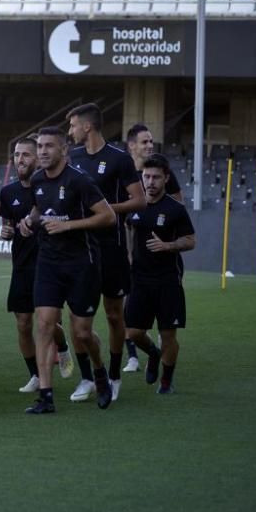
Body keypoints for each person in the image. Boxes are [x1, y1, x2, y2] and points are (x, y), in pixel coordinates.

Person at [21, 127, 116, 414]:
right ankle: (46, 397)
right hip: (49, 262)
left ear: (64, 150)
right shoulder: (37, 180)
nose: (43, 152)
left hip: (81, 263)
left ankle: (100, 373)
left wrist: (68, 225)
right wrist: (29, 220)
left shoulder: (80, 181)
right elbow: (39, 210)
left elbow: (108, 216)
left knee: (83, 332)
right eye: (40, 146)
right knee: (44, 324)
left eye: (49, 146)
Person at [68, 103, 146, 403]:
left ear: (88, 126)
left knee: (114, 315)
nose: (71, 131)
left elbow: (139, 201)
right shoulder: (72, 158)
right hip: (79, 250)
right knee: (78, 320)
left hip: (111, 248)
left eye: (74, 125)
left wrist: (104, 211)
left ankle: (114, 376)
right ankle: (88, 377)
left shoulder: (119, 159)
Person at [0, 137, 73, 393]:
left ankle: (59, 353)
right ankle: (34, 375)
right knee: (23, 323)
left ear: (37, 158)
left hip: (49, 262)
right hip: (21, 264)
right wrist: (6, 233)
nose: (20, 159)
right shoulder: (8, 192)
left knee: (48, 322)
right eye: (17, 155)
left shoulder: (49, 186)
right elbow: (7, 226)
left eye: (26, 155)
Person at [124, 154, 195, 394]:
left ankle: (166, 380)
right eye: (146, 176)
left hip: (167, 280)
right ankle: (153, 354)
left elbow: (191, 240)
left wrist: (168, 246)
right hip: (139, 279)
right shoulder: (134, 206)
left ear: (166, 179)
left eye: (156, 177)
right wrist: (128, 256)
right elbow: (128, 230)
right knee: (133, 332)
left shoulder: (175, 209)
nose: (151, 181)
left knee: (168, 336)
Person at [123, 122, 183, 372]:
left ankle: (158, 353)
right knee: (129, 307)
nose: (149, 145)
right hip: (133, 254)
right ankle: (134, 357)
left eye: (151, 141)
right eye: (144, 141)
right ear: (132, 146)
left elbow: (178, 207)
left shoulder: (162, 172)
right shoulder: (124, 173)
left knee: (164, 316)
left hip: (163, 257)